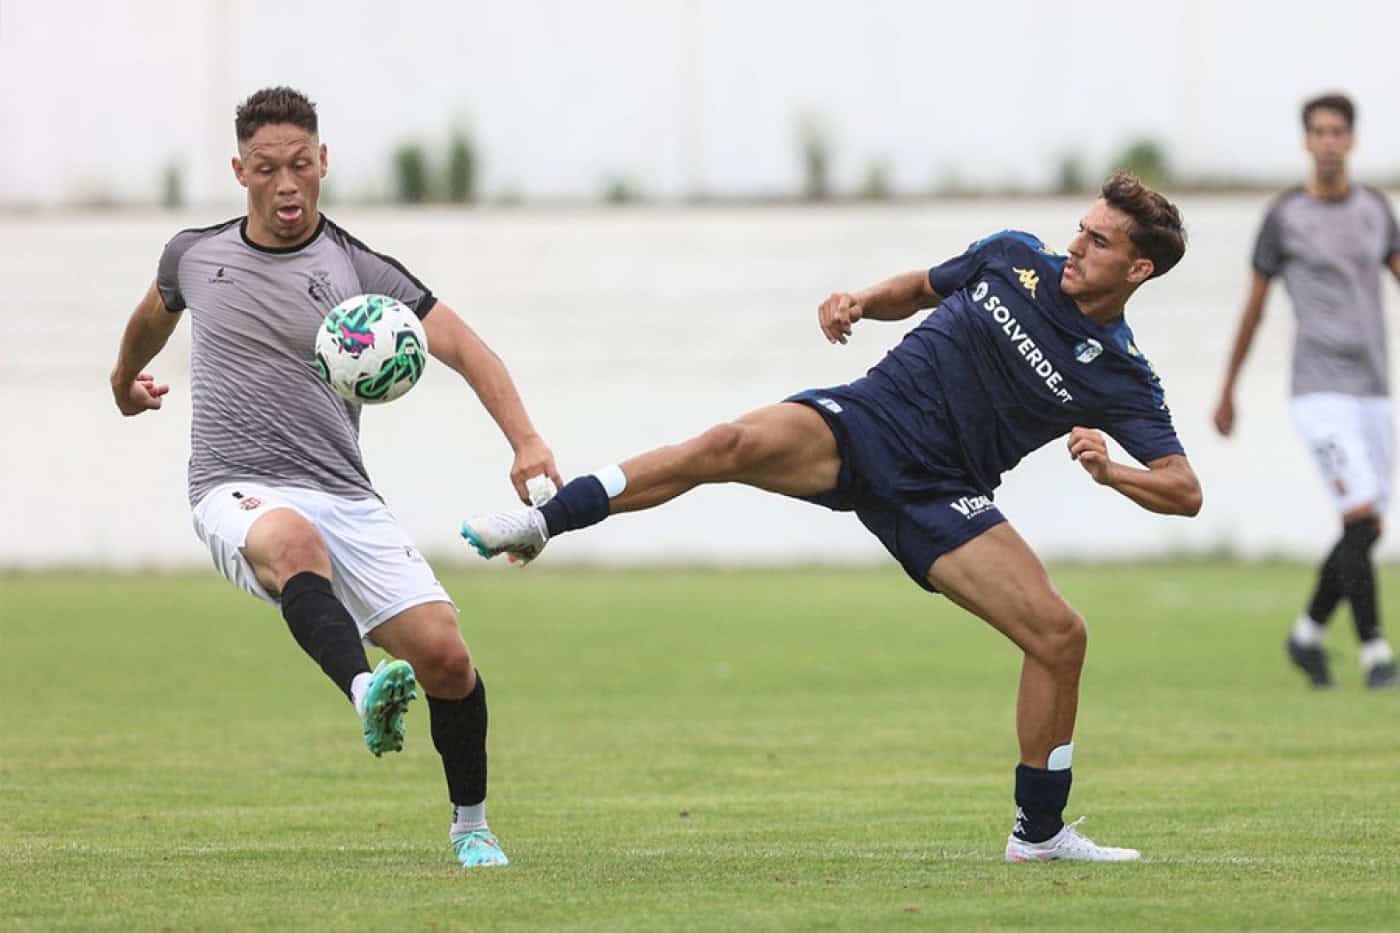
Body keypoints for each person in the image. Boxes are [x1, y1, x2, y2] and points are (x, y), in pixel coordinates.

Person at [462, 171, 1201, 862]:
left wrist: (1114, 472)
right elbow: (920, 287)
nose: (1075, 244)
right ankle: (544, 521)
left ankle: (1038, 831)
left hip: (941, 493)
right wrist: (858, 301)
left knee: (1061, 636)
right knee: (725, 444)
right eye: (1081, 228)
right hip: (863, 422)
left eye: (1098, 241)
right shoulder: (1014, 258)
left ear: (1139, 270)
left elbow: (1184, 488)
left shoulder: (1119, 370)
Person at [109, 86, 562, 868]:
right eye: (265, 169)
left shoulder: (357, 267)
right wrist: (124, 381)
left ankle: (472, 826)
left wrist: (525, 440)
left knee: (448, 657)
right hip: (234, 483)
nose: (285, 185)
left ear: (323, 162)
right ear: (238, 171)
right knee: (292, 540)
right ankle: (363, 691)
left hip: (344, 491)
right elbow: (154, 313)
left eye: (299, 166)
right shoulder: (195, 254)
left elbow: (464, 345)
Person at [1214, 92, 1400, 690]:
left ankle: (1307, 634)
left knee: (1365, 529)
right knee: (1362, 513)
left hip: (1373, 388)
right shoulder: (1284, 217)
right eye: (1317, 131)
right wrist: (1228, 389)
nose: (1327, 142)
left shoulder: (1376, 209)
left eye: (1337, 132)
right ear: (1305, 141)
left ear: (1351, 140)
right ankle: (1376, 653)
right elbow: (1252, 310)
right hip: (1319, 391)